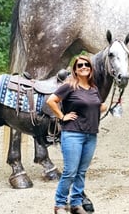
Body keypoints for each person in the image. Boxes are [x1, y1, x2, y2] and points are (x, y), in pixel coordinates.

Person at [47, 55, 107, 214]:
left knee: (81, 172)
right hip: (73, 133)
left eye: (87, 65)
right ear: (75, 69)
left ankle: (76, 203)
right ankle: (59, 204)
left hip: (91, 135)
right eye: (80, 65)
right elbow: (51, 101)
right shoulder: (69, 86)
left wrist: (103, 107)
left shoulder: (93, 88)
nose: (84, 67)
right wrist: (62, 116)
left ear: (91, 68)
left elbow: (95, 105)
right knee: (70, 171)